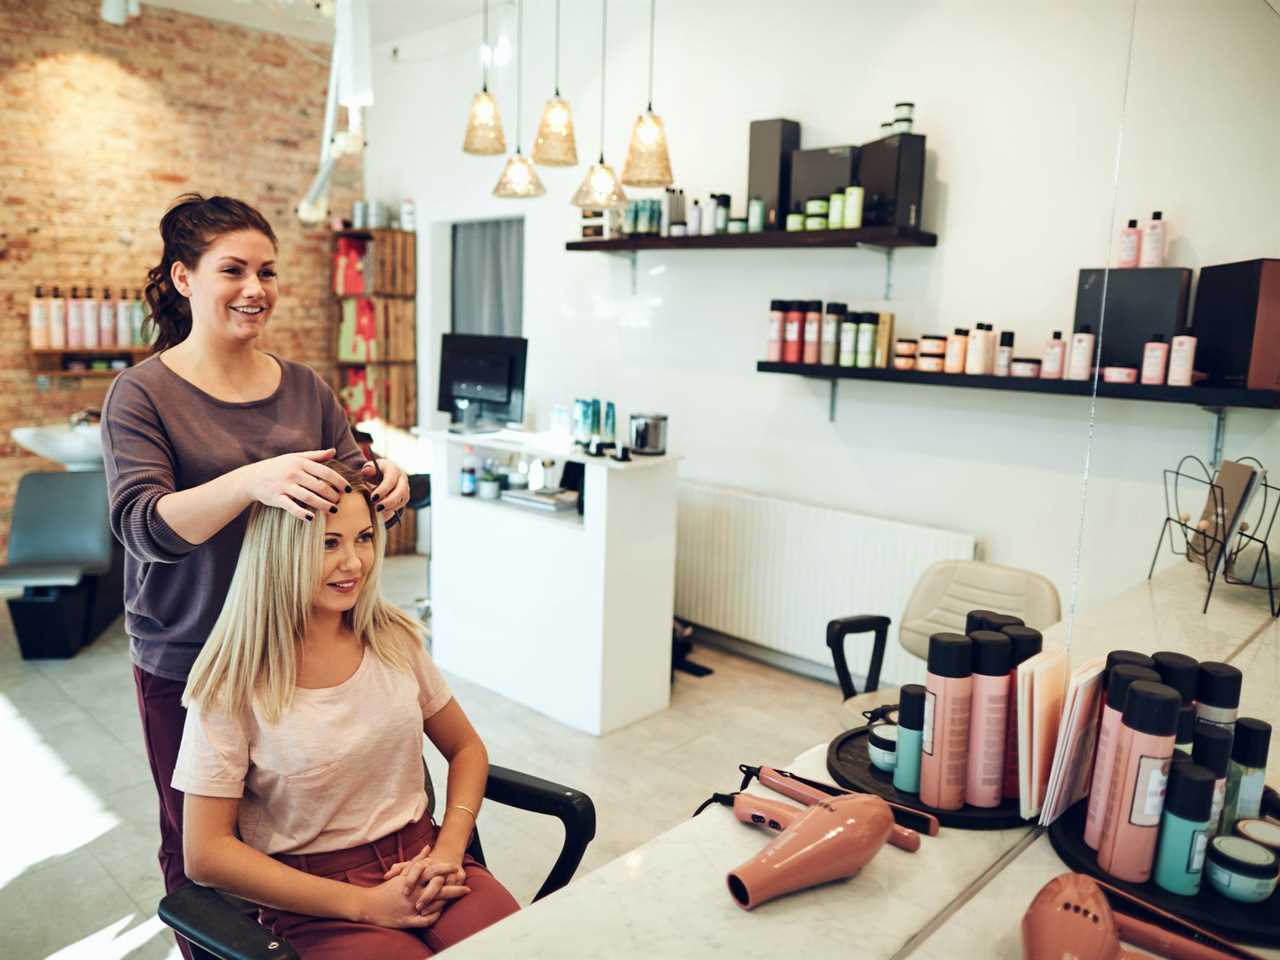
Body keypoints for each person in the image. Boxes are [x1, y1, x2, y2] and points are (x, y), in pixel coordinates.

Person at [102, 194, 411, 959]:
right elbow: (141, 527)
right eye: (232, 269)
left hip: (307, 651)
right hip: (194, 658)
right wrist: (249, 481)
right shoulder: (142, 394)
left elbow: (351, 486)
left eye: (267, 271)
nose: (255, 288)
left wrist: (387, 481)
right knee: (204, 851)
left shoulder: (305, 388)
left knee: (317, 829)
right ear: (183, 278)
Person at [174, 464, 518, 958]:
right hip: (317, 900)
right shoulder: (232, 685)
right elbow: (205, 855)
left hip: (427, 860)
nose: (355, 562)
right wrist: (364, 905)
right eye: (329, 543)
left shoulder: (392, 639)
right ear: (280, 553)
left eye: (363, 538)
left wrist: (449, 850)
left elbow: (466, 747)